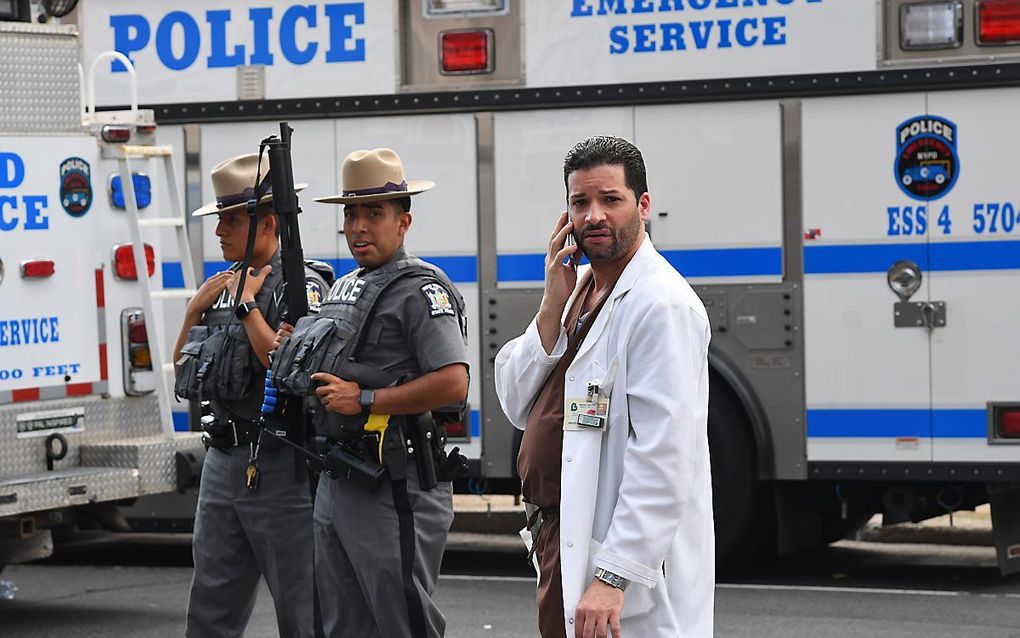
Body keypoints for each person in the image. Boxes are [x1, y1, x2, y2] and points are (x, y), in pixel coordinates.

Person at [494, 136, 714, 637]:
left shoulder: (661, 305)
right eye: (580, 202)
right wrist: (552, 304)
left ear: (643, 205)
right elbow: (513, 398)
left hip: (617, 575)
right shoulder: (578, 292)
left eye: (610, 200)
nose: (593, 215)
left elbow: (664, 456)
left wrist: (613, 577)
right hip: (561, 542)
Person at [271, 148, 469, 638]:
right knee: (342, 626)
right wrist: (292, 348)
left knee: (403, 623)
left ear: (403, 222)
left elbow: (454, 382)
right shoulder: (345, 288)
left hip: (393, 482)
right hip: (339, 478)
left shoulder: (420, 290)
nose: (358, 226)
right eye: (351, 213)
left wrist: (365, 400)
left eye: (373, 213)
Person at [173, 152, 332, 638]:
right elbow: (184, 376)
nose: (219, 230)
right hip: (223, 462)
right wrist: (192, 312)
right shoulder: (218, 285)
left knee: (302, 611)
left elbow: (293, 372)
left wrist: (246, 306)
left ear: (266, 223)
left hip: (281, 464)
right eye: (219, 219)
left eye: (231, 219)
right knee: (210, 607)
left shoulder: (300, 284)